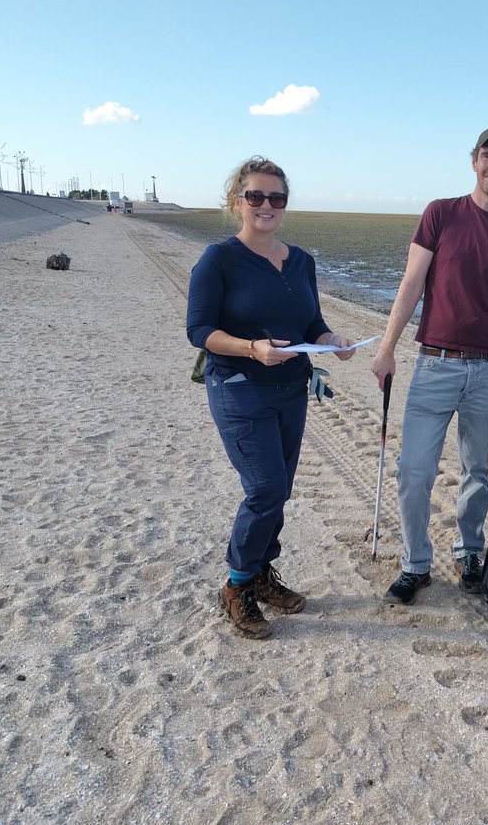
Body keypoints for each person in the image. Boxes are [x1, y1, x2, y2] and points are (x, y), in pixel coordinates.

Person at [371, 126, 488, 604]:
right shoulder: (440, 214)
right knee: (414, 471)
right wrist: (387, 348)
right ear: (473, 161)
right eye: (487, 156)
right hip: (435, 364)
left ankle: (470, 550)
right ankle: (415, 563)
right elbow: (411, 283)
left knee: (476, 471)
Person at [186, 156, 355, 639]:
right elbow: (199, 329)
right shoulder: (218, 259)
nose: (266, 205)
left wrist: (331, 341)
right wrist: (250, 349)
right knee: (264, 490)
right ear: (237, 201)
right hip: (239, 389)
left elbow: (311, 324)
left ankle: (261, 573)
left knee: (279, 488)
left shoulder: (301, 260)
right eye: (255, 196)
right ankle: (236, 585)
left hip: (290, 391)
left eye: (276, 197)